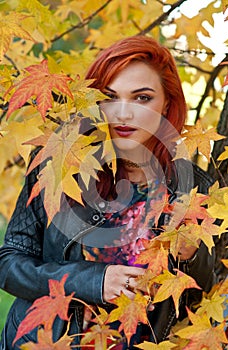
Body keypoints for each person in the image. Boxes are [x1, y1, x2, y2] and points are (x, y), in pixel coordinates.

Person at [0, 35, 216, 349]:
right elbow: (9, 265)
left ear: (167, 102)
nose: (123, 113)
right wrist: (95, 281)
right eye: (110, 97)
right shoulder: (58, 165)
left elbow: (198, 299)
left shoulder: (195, 185)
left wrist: (192, 257)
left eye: (142, 98)